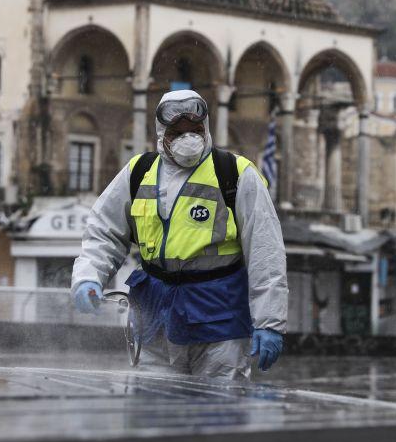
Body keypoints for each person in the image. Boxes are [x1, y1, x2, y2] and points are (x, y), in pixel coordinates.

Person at [71, 89, 288, 379]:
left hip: (218, 323)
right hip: (154, 322)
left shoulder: (236, 174)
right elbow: (103, 231)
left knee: (220, 414)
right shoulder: (139, 172)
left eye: (196, 130)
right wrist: (88, 276)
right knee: (153, 412)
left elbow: (266, 251)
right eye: (178, 132)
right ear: (162, 134)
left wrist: (269, 322)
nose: (189, 139)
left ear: (206, 128)